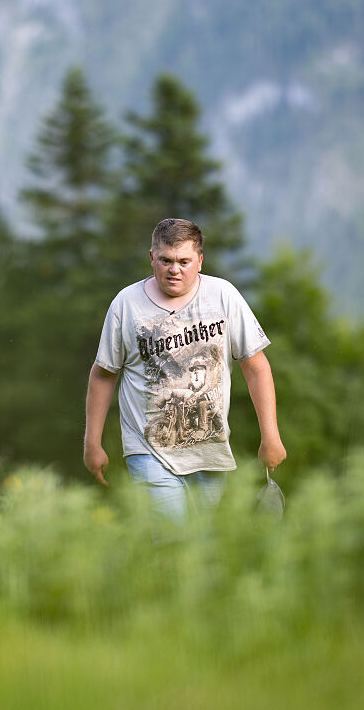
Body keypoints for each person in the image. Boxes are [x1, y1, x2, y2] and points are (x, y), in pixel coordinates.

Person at [83, 218, 286, 521]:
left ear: (200, 261)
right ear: (152, 258)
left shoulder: (223, 296)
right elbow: (103, 374)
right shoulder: (127, 304)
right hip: (148, 450)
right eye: (165, 260)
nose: (173, 269)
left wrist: (271, 436)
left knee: (198, 551)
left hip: (210, 453)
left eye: (183, 261)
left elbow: (256, 367)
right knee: (171, 543)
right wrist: (92, 442)